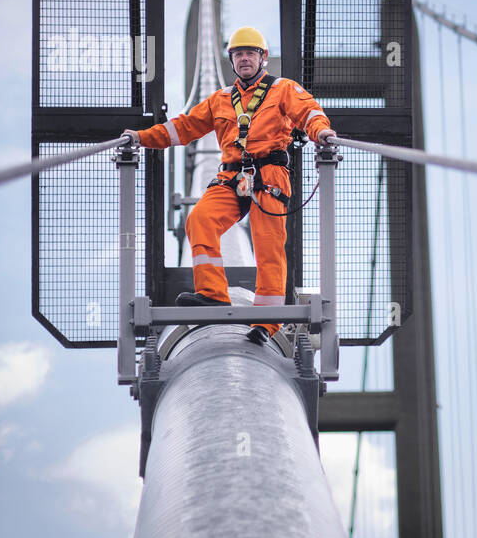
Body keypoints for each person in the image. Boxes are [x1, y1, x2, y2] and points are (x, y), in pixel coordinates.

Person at [124, 26, 336, 346]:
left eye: (251, 53)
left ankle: (266, 323)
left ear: (263, 59)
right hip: (232, 178)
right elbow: (184, 128)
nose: (245, 58)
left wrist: (321, 133)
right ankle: (213, 294)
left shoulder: (283, 89)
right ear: (231, 61)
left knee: (268, 246)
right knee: (199, 219)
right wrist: (141, 138)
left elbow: (309, 113)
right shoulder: (221, 99)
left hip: (269, 177)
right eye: (238, 54)